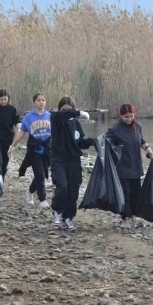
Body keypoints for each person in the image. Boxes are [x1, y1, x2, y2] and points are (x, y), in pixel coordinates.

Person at [106, 103, 153, 230]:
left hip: (136, 165)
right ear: (120, 116)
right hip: (122, 167)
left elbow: (141, 140)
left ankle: (133, 215)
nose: (129, 119)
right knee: (125, 193)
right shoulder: (115, 129)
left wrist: (148, 149)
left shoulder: (138, 126)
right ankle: (125, 218)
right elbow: (106, 142)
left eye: (131, 116)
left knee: (135, 192)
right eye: (126, 117)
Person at [49, 96, 93, 231]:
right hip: (58, 159)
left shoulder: (76, 124)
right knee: (62, 185)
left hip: (73, 160)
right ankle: (57, 212)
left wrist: (94, 141)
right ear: (59, 110)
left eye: (70, 109)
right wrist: (79, 113)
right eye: (64, 109)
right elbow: (62, 115)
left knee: (73, 189)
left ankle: (68, 218)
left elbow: (80, 143)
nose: (67, 112)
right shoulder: (55, 119)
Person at [9, 93, 52, 208]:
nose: (41, 102)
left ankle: (30, 191)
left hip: (46, 150)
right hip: (34, 150)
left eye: (43, 100)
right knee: (40, 175)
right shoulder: (29, 117)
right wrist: (12, 145)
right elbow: (21, 133)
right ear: (34, 102)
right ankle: (43, 200)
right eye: (38, 100)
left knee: (41, 175)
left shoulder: (49, 115)